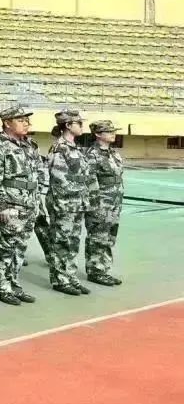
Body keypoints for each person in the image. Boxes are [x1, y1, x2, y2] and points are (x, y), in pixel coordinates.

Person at [0, 104, 41, 305]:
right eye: (21, 120)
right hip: (11, 203)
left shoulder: (30, 145)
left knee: (20, 248)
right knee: (5, 247)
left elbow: (35, 175)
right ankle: (1, 286)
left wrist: (37, 201)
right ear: (7, 123)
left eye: (27, 120)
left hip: (29, 203)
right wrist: (1, 206)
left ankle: (13, 284)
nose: (26, 123)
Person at [41, 110, 96, 296]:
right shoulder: (60, 148)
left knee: (73, 242)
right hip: (64, 203)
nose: (82, 126)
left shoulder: (74, 148)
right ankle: (60, 279)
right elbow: (59, 179)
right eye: (78, 123)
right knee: (60, 242)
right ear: (67, 125)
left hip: (77, 203)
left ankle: (70, 277)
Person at [85, 120, 124, 286]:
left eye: (113, 131)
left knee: (109, 237)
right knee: (97, 237)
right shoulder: (92, 154)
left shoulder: (113, 153)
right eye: (108, 131)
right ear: (98, 134)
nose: (113, 134)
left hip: (115, 201)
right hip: (100, 203)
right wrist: (96, 205)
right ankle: (95, 270)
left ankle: (104, 269)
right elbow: (90, 181)